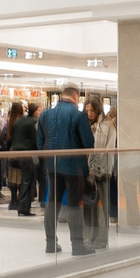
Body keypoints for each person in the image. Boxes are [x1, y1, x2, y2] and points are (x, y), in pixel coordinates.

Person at [36, 83, 96, 255]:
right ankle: (77, 245)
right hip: (74, 167)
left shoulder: (45, 114)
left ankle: (50, 243)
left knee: (52, 202)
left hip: (52, 166)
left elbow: (40, 142)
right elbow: (88, 143)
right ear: (76, 97)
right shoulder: (78, 116)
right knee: (74, 205)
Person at [89, 97, 118, 247]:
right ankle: (90, 237)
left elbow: (109, 149)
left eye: (92, 110)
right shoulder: (86, 125)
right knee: (89, 206)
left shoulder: (108, 127)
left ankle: (101, 239)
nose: (89, 113)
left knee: (102, 207)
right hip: (87, 173)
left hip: (103, 171)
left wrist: (96, 165)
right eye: (87, 110)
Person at [5, 99, 39, 216]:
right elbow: (36, 139)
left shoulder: (19, 121)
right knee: (27, 181)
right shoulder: (33, 122)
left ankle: (19, 205)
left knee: (19, 180)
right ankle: (24, 207)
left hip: (14, 153)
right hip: (26, 154)